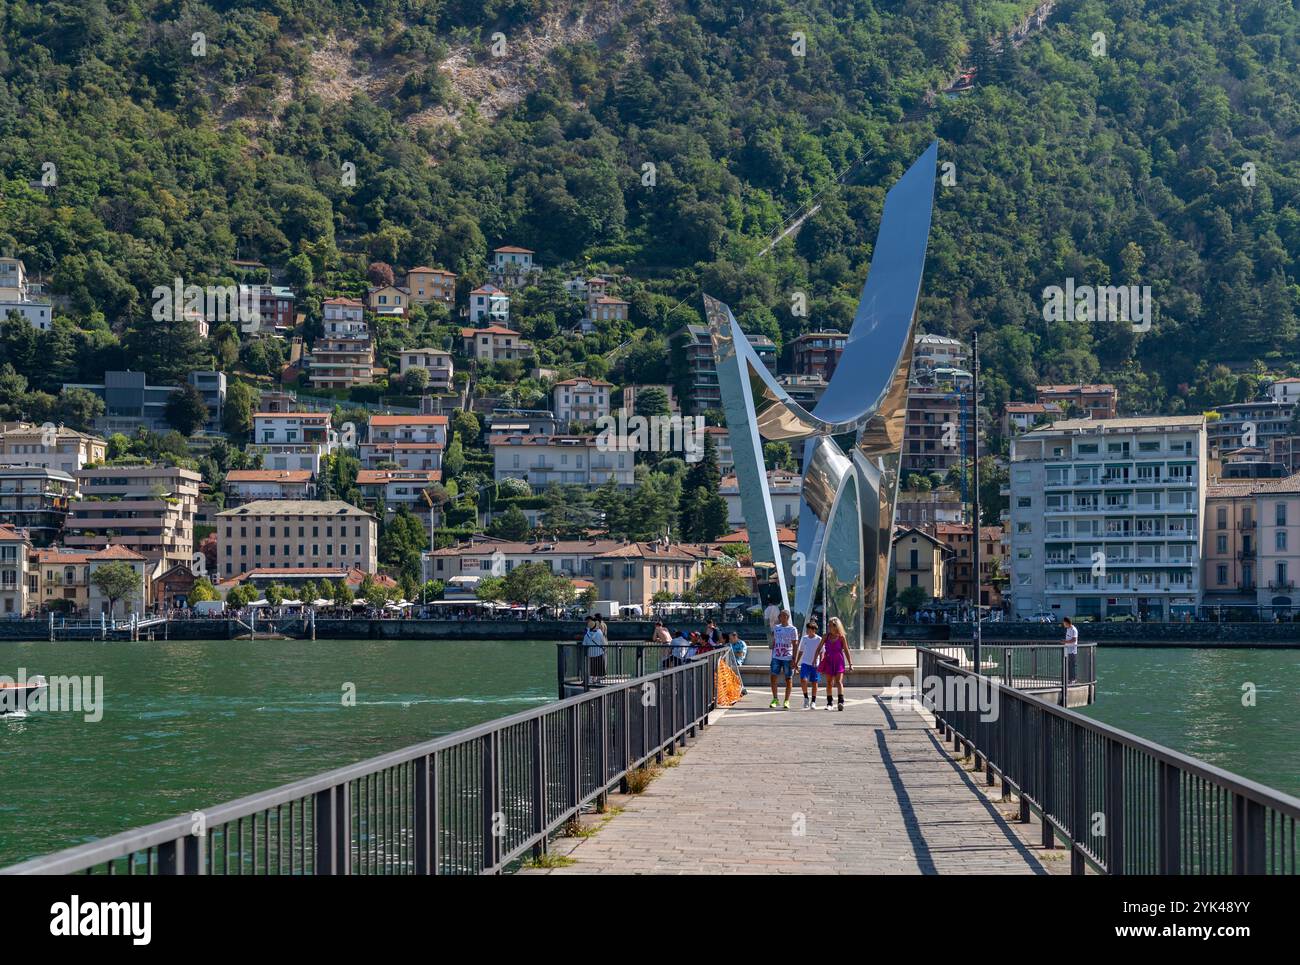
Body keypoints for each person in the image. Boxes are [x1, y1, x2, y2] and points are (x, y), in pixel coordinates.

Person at [817, 616, 853, 711]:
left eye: (830, 625)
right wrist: (814, 659)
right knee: (829, 682)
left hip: (839, 661)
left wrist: (850, 664)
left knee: (838, 681)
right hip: (828, 660)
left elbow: (846, 650)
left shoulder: (841, 637)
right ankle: (829, 703)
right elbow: (819, 648)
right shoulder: (826, 636)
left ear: (836, 626)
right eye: (828, 625)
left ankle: (841, 701)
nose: (829, 627)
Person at [769, 609, 797, 709]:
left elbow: (795, 644)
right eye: (780, 616)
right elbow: (774, 641)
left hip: (787, 657)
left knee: (788, 678)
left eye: (782, 616)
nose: (780, 617)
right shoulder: (776, 628)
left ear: (787, 617)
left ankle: (786, 700)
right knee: (773, 677)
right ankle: (775, 699)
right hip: (776, 656)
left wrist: (794, 658)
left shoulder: (792, 629)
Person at [795, 620, 822, 710]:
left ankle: (813, 701)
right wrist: (796, 662)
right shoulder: (804, 638)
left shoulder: (819, 639)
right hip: (805, 663)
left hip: (815, 664)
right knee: (803, 679)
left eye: (809, 629)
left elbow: (822, 652)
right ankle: (806, 697)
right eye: (807, 629)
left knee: (814, 682)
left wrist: (821, 663)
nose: (808, 631)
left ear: (814, 630)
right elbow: (801, 651)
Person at [582, 614, 607, 683]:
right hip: (599, 652)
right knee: (599, 666)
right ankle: (598, 680)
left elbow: (584, 644)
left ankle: (591, 680)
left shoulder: (587, 635)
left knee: (591, 667)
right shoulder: (599, 632)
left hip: (590, 653)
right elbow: (603, 642)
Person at [1063, 616, 1078, 683]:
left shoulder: (1073, 629)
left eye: (1064, 622)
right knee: (1068, 665)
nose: (1063, 624)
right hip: (1067, 650)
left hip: (1072, 651)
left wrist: (1065, 642)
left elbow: (1074, 639)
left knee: (1072, 665)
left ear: (1067, 622)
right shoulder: (1068, 629)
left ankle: (1073, 679)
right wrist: (1065, 642)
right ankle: (1069, 679)